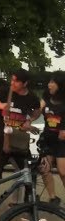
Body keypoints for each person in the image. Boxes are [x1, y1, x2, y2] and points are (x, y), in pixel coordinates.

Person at [0, 69, 41, 205]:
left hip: (19, 141)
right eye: (12, 79)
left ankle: (29, 204)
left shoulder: (31, 97)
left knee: (27, 173)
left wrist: (29, 120)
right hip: (2, 140)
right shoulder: (4, 92)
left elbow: (37, 111)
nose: (12, 83)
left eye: (16, 81)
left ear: (25, 83)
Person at [36, 71, 65, 206]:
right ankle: (53, 197)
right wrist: (28, 120)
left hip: (62, 141)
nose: (49, 85)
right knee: (45, 169)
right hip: (48, 138)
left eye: (52, 82)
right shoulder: (46, 97)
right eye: (49, 82)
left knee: (62, 171)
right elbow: (37, 111)